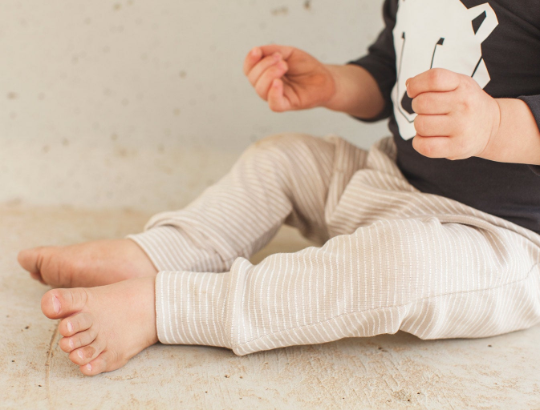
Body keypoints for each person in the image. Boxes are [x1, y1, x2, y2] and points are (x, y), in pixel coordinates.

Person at [18, 0, 540, 376]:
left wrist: (494, 124)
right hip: (390, 182)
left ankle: (166, 305)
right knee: (281, 156)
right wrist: (333, 83)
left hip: (499, 238)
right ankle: (159, 253)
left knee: (399, 266)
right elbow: (389, 73)